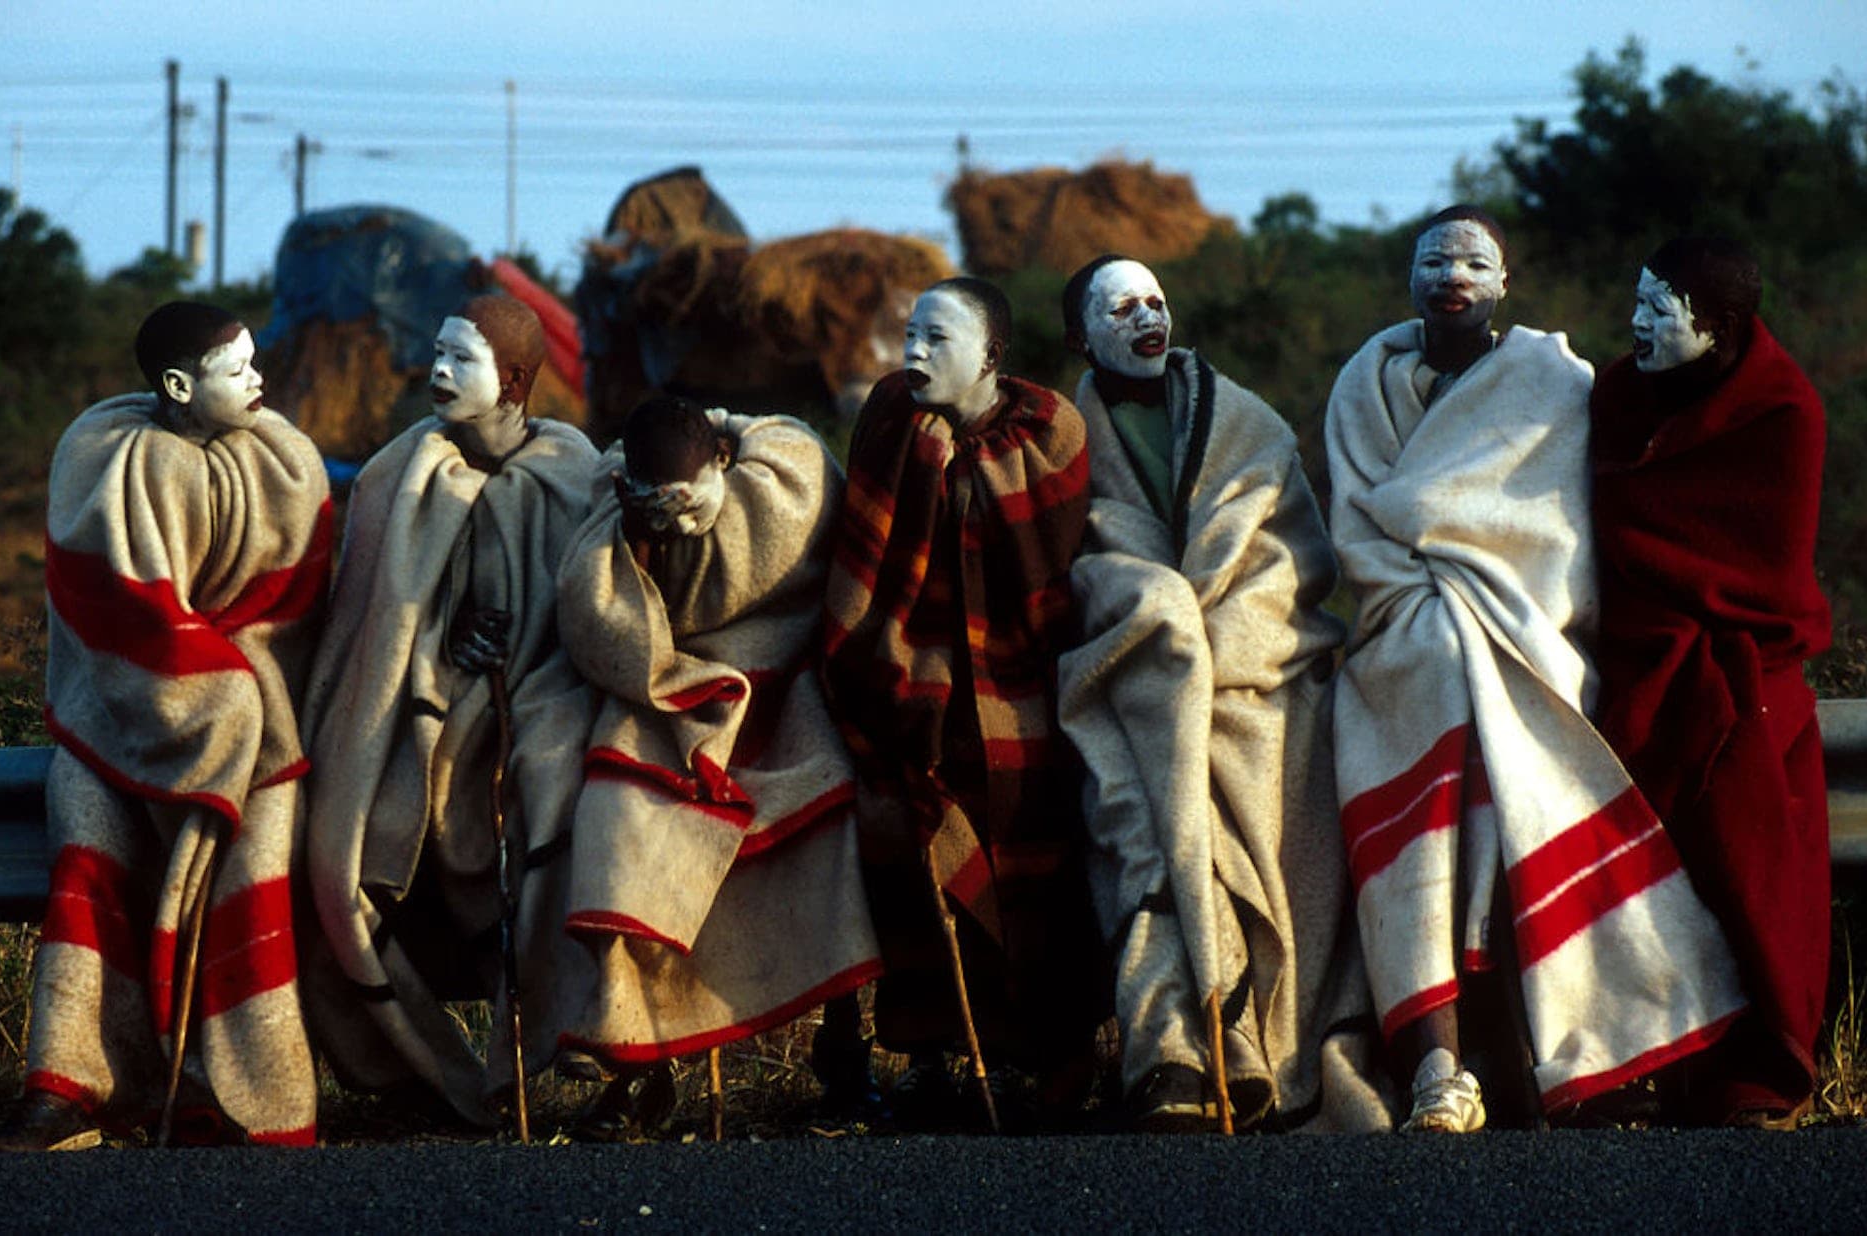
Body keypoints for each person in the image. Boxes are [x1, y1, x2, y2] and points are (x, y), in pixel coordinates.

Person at [1325, 206, 1744, 1133]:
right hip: (1400, 630)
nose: (1453, 272)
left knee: (1497, 738)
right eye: (1434, 257)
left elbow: (1555, 532)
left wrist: (1473, 592)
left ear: (1505, 282)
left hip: (1527, 629)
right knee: (1436, 676)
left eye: (1475, 260)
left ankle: (1558, 1054)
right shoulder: (1363, 384)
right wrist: (1432, 593)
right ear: (1410, 278)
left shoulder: (1551, 381)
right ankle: (1439, 1062)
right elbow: (1358, 533)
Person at [0, 302, 332, 1150]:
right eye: (236, 370)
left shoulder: (287, 461)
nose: (259, 381)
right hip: (117, 716)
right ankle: (70, 1090)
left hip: (258, 731)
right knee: (88, 851)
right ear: (178, 386)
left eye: (256, 363)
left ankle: (247, 1102)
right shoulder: (102, 455)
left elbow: (293, 611)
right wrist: (199, 697)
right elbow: (117, 616)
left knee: (253, 864)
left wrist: (234, 699)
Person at [1053, 256, 1390, 1132]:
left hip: (1261, 671)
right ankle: (1173, 1051)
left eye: (1155, 301)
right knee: (1141, 823)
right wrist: (1159, 631)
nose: (1144, 318)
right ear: (1080, 337)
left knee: (1279, 792)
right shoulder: (1063, 441)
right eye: (1120, 308)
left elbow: (1289, 558)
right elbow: (1078, 566)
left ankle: (1277, 1046)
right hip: (1131, 681)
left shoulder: (1243, 420)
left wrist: (1224, 648)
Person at [299, 294, 598, 1128]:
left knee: (548, 823)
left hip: (539, 703)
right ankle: (420, 1079)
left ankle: (565, 1061)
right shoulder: (401, 472)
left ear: (512, 381)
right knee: (339, 853)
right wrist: (440, 630)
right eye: (436, 352)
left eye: (459, 360)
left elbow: (588, 602)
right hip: (412, 708)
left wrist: (520, 642)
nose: (436, 372)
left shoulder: (571, 472)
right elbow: (373, 612)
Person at [548, 394, 881, 1135]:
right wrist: (636, 543)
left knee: (829, 824)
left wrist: (732, 422)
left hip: (783, 693)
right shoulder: (615, 530)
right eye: (652, 502)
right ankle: (636, 1056)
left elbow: (792, 452)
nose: (678, 519)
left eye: (686, 498)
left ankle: (844, 1050)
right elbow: (615, 638)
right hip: (667, 703)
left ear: (723, 464)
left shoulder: (781, 484)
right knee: (622, 827)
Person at [821, 277, 1106, 1124]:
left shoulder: (1049, 429)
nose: (913, 353)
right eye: (909, 334)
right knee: (904, 837)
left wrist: (961, 463)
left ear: (989, 354)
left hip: (1028, 672)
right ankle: (928, 1052)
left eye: (936, 339)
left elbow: (1052, 575)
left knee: (1035, 838)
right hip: (908, 663)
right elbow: (867, 566)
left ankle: (1049, 1055)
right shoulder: (891, 417)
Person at [1591, 237, 1832, 1128]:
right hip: (1637, 645)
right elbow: (1606, 524)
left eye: (1660, 311)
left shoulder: (1783, 411)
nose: (1637, 324)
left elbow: (1765, 573)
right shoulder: (1619, 394)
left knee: (1746, 806)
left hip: (1748, 657)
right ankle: (1632, 1051)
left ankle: (1756, 1056)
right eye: (1639, 303)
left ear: (1719, 329)